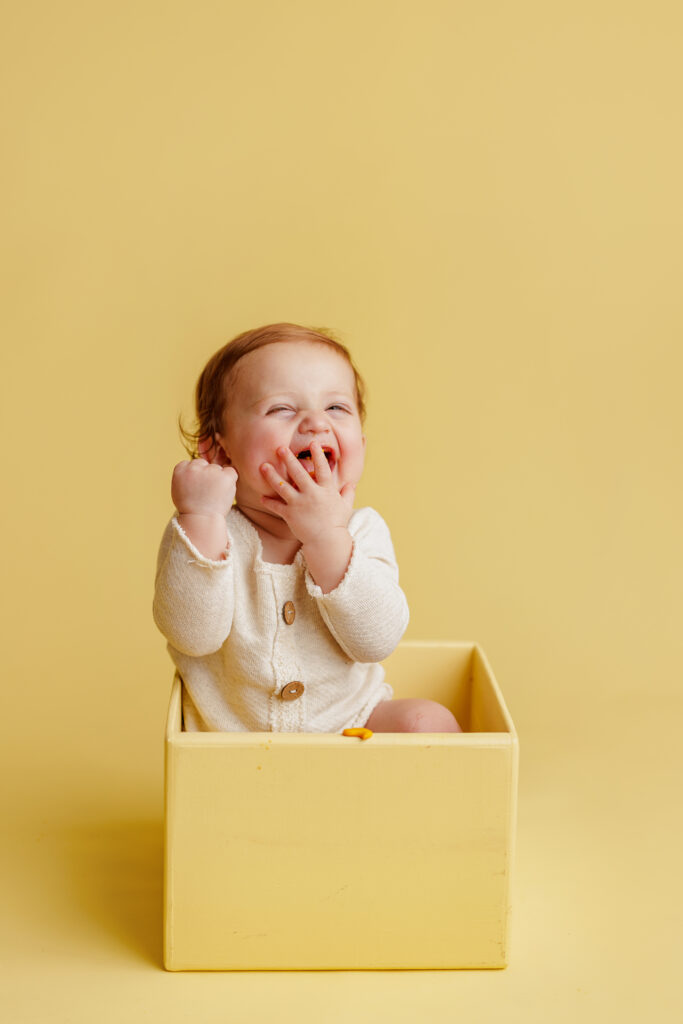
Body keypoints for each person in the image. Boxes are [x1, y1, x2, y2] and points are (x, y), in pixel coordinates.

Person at [153, 323, 461, 734]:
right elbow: (193, 636)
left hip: (350, 725)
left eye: (336, 408)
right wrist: (199, 516)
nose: (316, 423)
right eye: (281, 408)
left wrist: (325, 536)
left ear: (361, 448)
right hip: (233, 741)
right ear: (218, 450)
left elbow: (377, 641)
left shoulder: (363, 531)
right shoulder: (207, 533)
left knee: (430, 723)